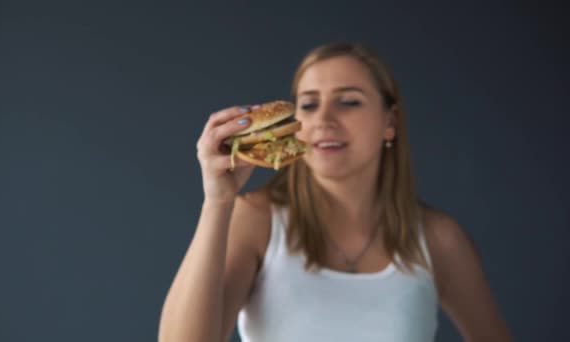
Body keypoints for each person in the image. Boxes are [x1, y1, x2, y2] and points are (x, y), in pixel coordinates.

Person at [158, 42, 512, 341]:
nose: (323, 119)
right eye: (309, 104)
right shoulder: (255, 220)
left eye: (349, 101)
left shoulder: (439, 239)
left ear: (389, 123)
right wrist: (218, 202)